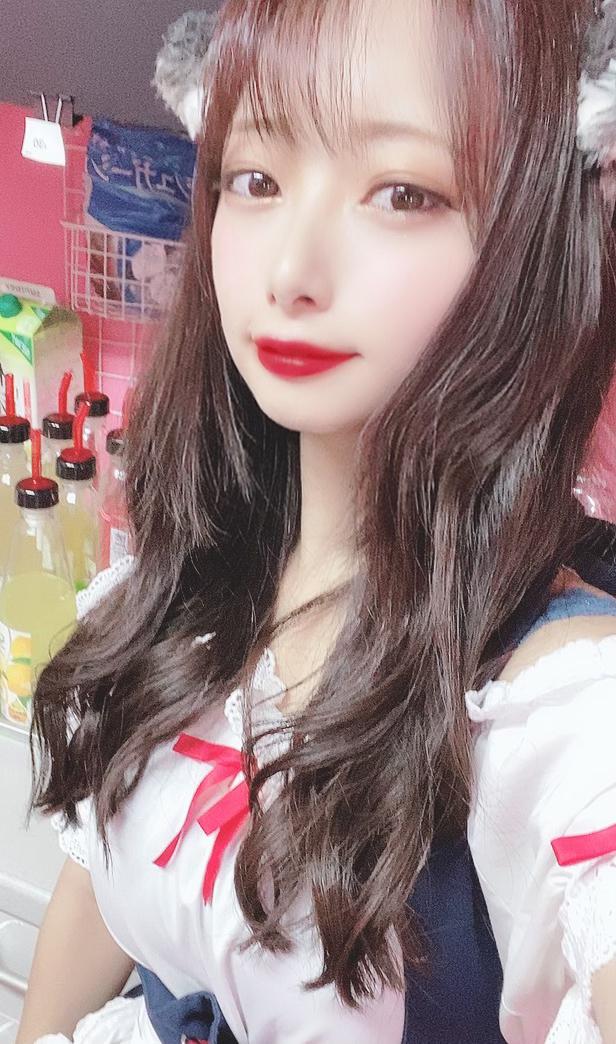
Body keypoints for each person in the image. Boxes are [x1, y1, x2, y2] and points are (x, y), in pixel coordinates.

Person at [16, 0, 616, 1041]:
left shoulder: (553, 706)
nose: (290, 272)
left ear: (537, 239)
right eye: (255, 179)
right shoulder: (186, 585)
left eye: (402, 193)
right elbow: (95, 883)